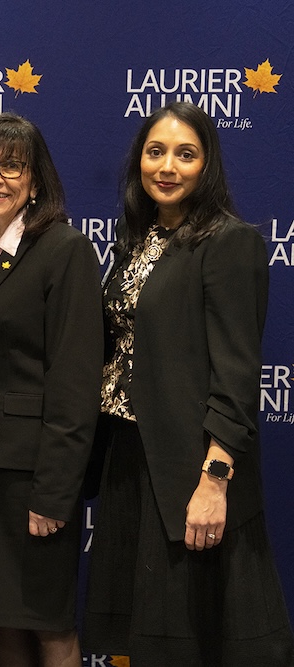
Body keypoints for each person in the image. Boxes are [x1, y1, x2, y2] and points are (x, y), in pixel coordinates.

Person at [83, 101, 294, 666]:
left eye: (186, 154)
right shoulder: (136, 242)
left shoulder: (230, 242)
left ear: (208, 165)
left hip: (192, 468)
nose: (168, 167)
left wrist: (214, 480)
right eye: (156, 152)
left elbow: (237, 374)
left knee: (194, 643)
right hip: (131, 459)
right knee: (144, 643)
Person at [0, 113, 103, 667]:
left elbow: (76, 382)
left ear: (36, 182)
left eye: (12, 166)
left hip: (36, 477)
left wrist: (55, 492)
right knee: (1, 621)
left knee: (48, 624)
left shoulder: (64, 251)